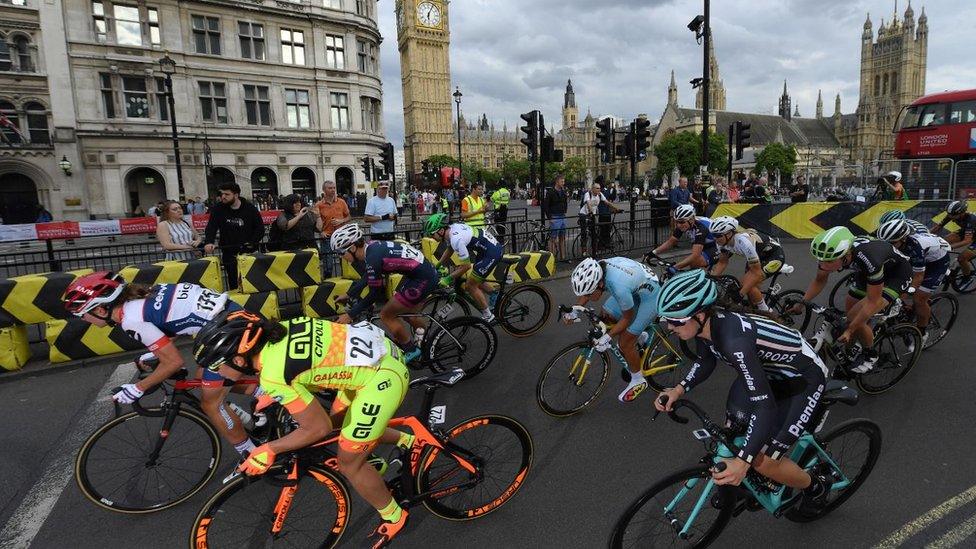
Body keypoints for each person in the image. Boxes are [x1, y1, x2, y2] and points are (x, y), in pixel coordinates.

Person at [192, 311, 414, 547]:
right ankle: (406, 441)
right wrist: (278, 393)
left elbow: (316, 428)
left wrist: (269, 448)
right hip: (375, 357)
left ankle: (395, 517)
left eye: (217, 366)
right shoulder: (281, 329)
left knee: (349, 463)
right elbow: (310, 364)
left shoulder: (272, 374)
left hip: (381, 378)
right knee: (341, 427)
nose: (216, 373)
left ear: (238, 360)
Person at [654, 270, 831, 514]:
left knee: (763, 461)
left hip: (802, 380)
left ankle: (815, 487)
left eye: (676, 321)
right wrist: (679, 389)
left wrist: (744, 461)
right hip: (766, 373)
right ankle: (745, 476)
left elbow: (764, 405)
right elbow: (705, 360)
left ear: (700, 314)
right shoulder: (706, 326)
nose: (670, 327)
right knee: (732, 433)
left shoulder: (733, 341)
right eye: (666, 320)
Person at [63, 273, 260, 460]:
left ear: (99, 309)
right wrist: (154, 352)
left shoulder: (131, 320)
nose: (83, 320)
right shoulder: (146, 293)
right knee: (202, 376)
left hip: (231, 333)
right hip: (235, 320)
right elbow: (171, 320)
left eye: (82, 314)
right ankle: (263, 395)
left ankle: (252, 456)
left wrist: (138, 388)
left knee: (210, 403)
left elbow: (174, 363)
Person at [797, 226, 912, 373]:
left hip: (896, 275)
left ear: (846, 255)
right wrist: (802, 303)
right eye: (820, 260)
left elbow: (872, 301)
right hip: (864, 272)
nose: (823, 265)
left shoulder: (869, 258)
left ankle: (871, 354)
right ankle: (851, 351)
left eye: (829, 262)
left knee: (854, 319)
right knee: (850, 313)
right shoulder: (830, 255)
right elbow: (819, 280)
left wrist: (851, 330)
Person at [332, 224, 438, 364]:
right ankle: (425, 339)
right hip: (421, 274)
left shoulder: (373, 257)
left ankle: (412, 350)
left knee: (386, 314)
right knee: (407, 313)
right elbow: (368, 277)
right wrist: (349, 294)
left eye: (341, 253)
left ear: (352, 248)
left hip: (422, 278)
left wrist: (350, 314)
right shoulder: (371, 247)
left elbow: (374, 294)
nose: (341, 257)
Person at [565, 257, 661, 403]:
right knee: (607, 313)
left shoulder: (618, 287)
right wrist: (575, 310)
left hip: (650, 296)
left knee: (625, 343)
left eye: (589, 294)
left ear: (601, 283)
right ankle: (641, 334)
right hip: (633, 283)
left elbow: (626, 318)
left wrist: (608, 337)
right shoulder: (598, 270)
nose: (587, 297)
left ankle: (638, 380)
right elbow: (586, 292)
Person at [875, 218, 949, 349]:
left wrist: (904, 294)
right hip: (919, 256)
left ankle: (922, 333)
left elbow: (918, 276)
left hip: (937, 263)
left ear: (903, 239)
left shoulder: (914, 247)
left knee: (918, 299)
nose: (888, 246)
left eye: (892, 243)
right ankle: (906, 309)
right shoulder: (895, 241)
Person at [424, 212, 502, 323]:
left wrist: (448, 279)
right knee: (475, 276)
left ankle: (488, 316)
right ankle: (494, 293)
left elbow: (465, 266)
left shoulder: (456, 238)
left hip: (491, 253)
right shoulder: (451, 230)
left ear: (441, 231)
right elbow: (449, 250)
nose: (431, 237)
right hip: (485, 249)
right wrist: (438, 265)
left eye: (432, 234)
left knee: (470, 285)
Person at [709, 216, 786, 313]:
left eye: (718, 236)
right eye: (713, 235)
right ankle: (756, 309)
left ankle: (767, 313)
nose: (715, 239)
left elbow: (757, 273)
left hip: (773, 256)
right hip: (756, 257)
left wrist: (740, 294)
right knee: (750, 294)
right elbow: (722, 262)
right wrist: (711, 280)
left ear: (729, 234)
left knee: (747, 285)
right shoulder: (721, 241)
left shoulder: (743, 242)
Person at [203, 182, 265, 290]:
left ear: (236, 195)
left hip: (249, 251)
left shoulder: (250, 208)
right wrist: (209, 241)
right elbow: (211, 227)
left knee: (253, 282)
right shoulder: (218, 209)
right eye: (222, 194)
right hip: (229, 252)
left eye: (227, 194)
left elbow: (259, 228)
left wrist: (251, 242)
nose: (223, 197)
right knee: (234, 283)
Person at [648, 204, 718, 273]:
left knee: (695, 261)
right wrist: (653, 253)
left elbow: (695, 255)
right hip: (705, 245)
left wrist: (675, 267)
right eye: (677, 222)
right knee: (692, 265)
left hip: (717, 246)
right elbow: (671, 241)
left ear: (691, 219)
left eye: (681, 222)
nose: (678, 225)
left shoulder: (701, 228)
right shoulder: (683, 225)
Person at [929, 201, 976, 282]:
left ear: (962, 213)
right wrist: (925, 234)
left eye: (954, 215)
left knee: (962, 258)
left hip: (971, 232)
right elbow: (938, 227)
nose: (951, 217)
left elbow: (967, 240)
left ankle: (967, 277)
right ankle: (942, 266)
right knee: (943, 241)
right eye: (949, 214)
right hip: (969, 231)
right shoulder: (952, 214)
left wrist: (949, 247)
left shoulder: (971, 219)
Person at [316, 180, 351, 277]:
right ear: (324, 190)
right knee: (328, 265)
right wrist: (321, 232)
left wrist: (341, 221)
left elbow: (349, 217)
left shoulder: (341, 202)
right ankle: (327, 286)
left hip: (341, 236)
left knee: (344, 262)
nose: (332, 190)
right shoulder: (319, 205)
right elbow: (316, 224)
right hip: (327, 237)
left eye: (334, 188)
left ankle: (346, 283)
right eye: (330, 188)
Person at [579, 181, 621, 255]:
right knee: (584, 233)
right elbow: (588, 203)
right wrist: (591, 212)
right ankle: (584, 251)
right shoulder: (588, 194)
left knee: (593, 234)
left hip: (593, 215)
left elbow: (607, 202)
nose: (599, 190)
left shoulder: (600, 195)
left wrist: (617, 208)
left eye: (600, 188)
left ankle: (594, 251)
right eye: (597, 188)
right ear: (593, 189)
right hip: (584, 214)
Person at [542, 175, 569, 259]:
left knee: (562, 237)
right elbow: (546, 206)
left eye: (564, 181)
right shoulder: (551, 192)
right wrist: (550, 218)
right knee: (553, 239)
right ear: (557, 182)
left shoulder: (563, 192)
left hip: (562, 216)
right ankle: (552, 259)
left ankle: (563, 257)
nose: (563, 183)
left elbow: (565, 202)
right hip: (555, 216)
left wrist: (565, 211)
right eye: (562, 181)